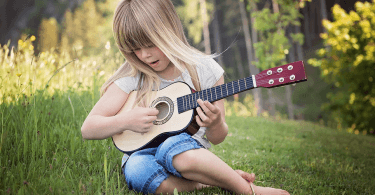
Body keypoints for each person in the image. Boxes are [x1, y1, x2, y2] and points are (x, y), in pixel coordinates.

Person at [81, 0, 290, 194]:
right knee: (136, 171)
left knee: (172, 148)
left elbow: (217, 138)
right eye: (135, 49)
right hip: (140, 152)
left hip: (186, 152)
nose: (145, 55)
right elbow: (88, 128)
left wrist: (215, 122)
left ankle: (249, 191)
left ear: (169, 30)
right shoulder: (132, 76)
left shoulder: (204, 70)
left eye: (150, 44)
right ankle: (210, 181)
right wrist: (125, 121)